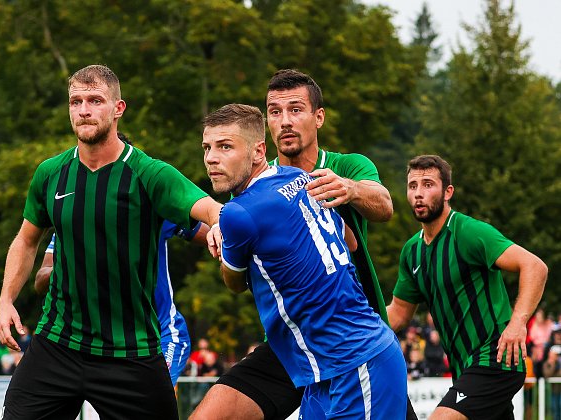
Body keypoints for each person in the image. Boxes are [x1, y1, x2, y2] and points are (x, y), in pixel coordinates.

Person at [0, 64, 222, 420]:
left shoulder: (150, 174)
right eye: (76, 101)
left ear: (118, 109)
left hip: (130, 352)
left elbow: (208, 207)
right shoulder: (50, 173)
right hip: (57, 345)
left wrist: (220, 222)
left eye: (95, 100)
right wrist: (6, 298)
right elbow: (26, 240)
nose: (84, 110)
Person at [192, 69, 414, 420]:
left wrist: (351, 189)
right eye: (275, 112)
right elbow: (345, 239)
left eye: (295, 109)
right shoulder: (289, 180)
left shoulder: (344, 167)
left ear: (318, 117)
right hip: (295, 346)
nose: (285, 121)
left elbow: (384, 205)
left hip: (350, 341)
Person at [387, 155, 548, 419]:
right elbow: (399, 313)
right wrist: (357, 333)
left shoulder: (469, 232)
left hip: (496, 359)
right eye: (413, 186)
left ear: (448, 192)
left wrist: (518, 323)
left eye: (428, 184)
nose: (418, 194)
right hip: (465, 369)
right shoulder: (412, 252)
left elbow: (535, 266)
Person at [35, 217, 208, 386]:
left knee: (149, 405)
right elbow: (40, 281)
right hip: (112, 345)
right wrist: (73, 265)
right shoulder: (69, 223)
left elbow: (211, 234)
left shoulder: (148, 209)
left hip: (162, 335)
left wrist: (226, 238)